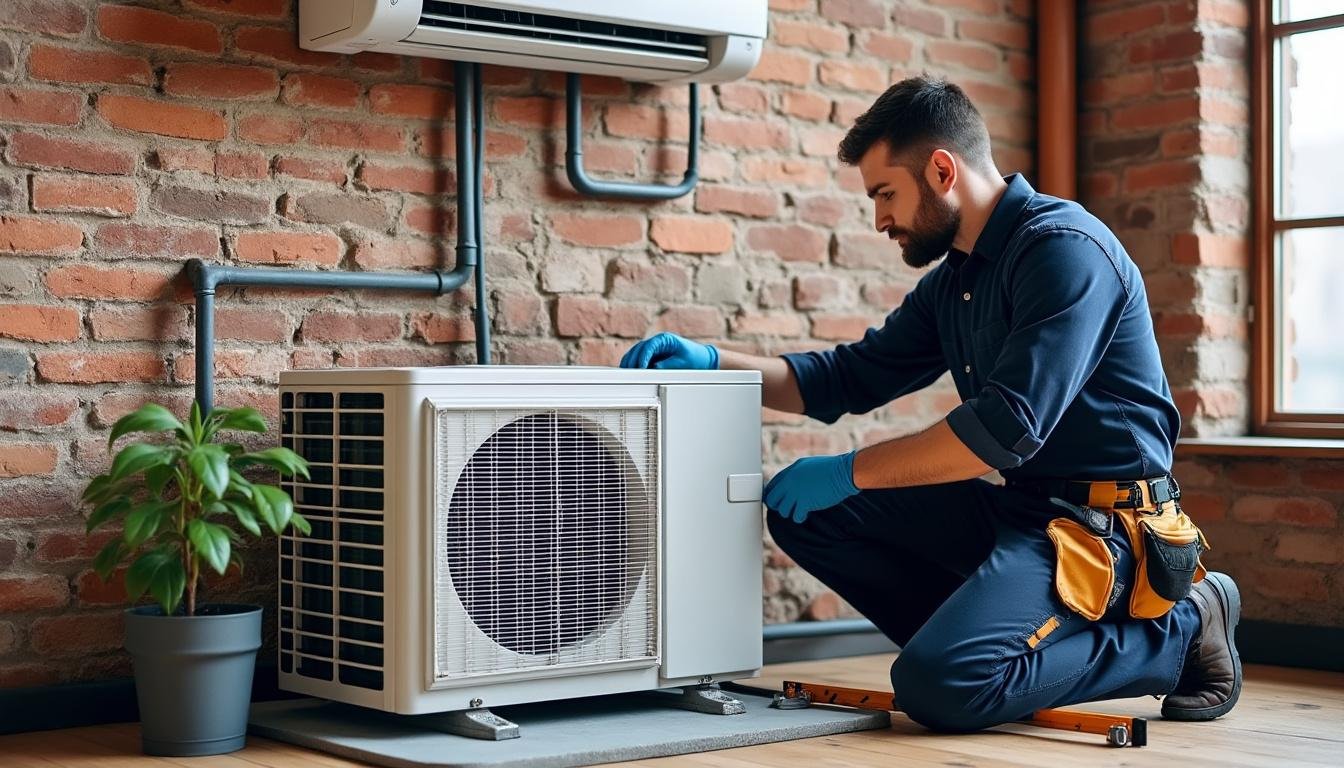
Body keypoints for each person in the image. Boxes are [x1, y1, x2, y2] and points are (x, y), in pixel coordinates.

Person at [620, 76, 1241, 732]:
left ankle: (1185, 627)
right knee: (807, 516)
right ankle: (981, 643)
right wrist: (716, 363)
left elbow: (1000, 432)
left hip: (1106, 531)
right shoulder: (956, 283)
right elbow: (845, 379)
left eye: (886, 193)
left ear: (942, 169)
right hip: (1025, 511)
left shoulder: (1064, 251)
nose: (880, 218)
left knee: (939, 687)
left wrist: (847, 469)